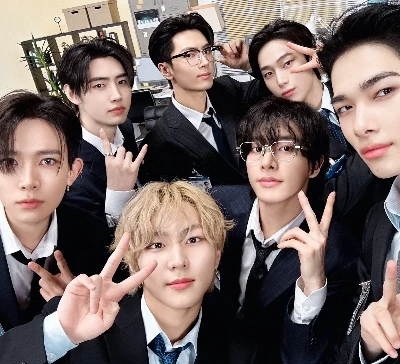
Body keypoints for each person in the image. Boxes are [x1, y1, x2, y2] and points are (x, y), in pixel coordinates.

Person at [2, 182, 258, 364]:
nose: (178, 261)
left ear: (217, 256)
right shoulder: (80, 323)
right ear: (133, 260)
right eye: (156, 244)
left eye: (193, 239)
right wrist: (62, 332)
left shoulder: (243, 350)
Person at [211, 97, 359, 364]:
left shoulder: (338, 250)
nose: (267, 162)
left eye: (286, 148)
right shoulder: (216, 206)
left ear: (315, 165)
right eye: (255, 148)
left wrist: (313, 283)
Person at [219, 19, 394, 243]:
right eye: (269, 74)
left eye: (288, 63)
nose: (281, 80)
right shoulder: (283, 134)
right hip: (354, 232)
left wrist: (333, 62)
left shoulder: (350, 90)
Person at [0, 90, 116, 364]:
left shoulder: (92, 234)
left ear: (73, 172)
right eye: (9, 162)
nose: (28, 180)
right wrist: (59, 324)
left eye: (47, 161)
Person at [316, 4, 400, 364]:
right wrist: (372, 342)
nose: (361, 125)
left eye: (384, 91)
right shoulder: (380, 222)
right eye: (345, 107)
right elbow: (351, 359)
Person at [138, 12, 269, 186]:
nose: (205, 61)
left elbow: (273, 91)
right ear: (165, 70)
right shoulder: (159, 143)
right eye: (189, 55)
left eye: (206, 50)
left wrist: (249, 65)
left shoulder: (227, 89)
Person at [58, 38, 146, 225]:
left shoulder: (125, 127)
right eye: (99, 85)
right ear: (73, 94)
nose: (117, 95)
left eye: (122, 81)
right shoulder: (68, 168)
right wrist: (118, 195)